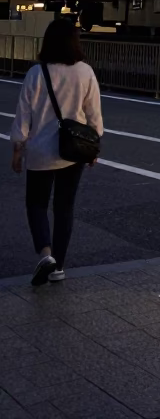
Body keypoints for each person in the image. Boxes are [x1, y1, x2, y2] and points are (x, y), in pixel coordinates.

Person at [10, 19, 103, 286]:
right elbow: (94, 114)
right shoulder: (85, 72)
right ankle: (59, 267)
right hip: (72, 151)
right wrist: (93, 147)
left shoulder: (36, 73)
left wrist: (18, 148)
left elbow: (23, 117)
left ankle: (46, 254)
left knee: (36, 205)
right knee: (64, 208)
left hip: (40, 152)